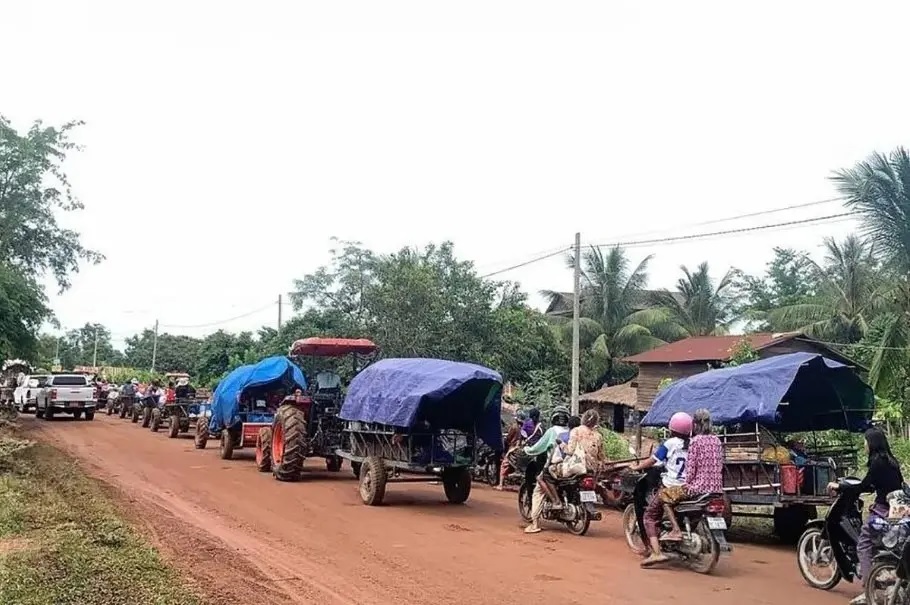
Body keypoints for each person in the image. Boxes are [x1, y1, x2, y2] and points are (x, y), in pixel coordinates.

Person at [827, 427, 904, 605]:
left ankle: (867, 587)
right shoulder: (892, 461)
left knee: (863, 544)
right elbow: (873, 486)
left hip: (885, 510)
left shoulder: (877, 462)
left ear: (872, 443)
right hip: (896, 508)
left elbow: (863, 486)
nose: (864, 445)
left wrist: (839, 487)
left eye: (865, 441)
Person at [629, 411, 692, 566]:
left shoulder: (669, 443)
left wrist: (637, 467)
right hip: (689, 488)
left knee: (649, 516)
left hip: (672, 487)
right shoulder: (693, 444)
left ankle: (657, 553)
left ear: (671, 428)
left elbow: (653, 460)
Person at [522, 406, 571, 534]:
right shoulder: (572, 431)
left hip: (556, 467)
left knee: (538, 490)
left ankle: (534, 524)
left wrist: (527, 450)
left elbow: (538, 448)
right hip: (571, 467)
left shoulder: (551, 431)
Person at [683, 408, 724, 499]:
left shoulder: (695, 441)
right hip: (716, 488)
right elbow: (720, 464)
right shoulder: (717, 440)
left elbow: (691, 469)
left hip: (699, 488)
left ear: (695, 424)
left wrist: (686, 483)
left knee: (665, 498)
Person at [565, 409, 605, 474]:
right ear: (596, 421)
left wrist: (563, 446)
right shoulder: (598, 436)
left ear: (583, 418)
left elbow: (571, 450)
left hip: (578, 466)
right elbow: (601, 455)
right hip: (592, 467)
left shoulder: (575, 431)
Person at [495, 411, 527, 490]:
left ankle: (501, 485)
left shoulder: (514, 427)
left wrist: (506, 445)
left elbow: (508, 438)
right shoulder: (524, 429)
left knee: (504, 465)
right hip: (521, 449)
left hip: (512, 449)